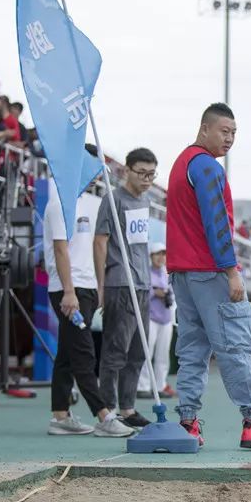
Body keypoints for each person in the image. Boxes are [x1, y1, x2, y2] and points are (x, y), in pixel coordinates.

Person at [165, 103, 251, 449]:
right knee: (236, 347)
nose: (229, 139)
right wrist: (231, 271)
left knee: (191, 350)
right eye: (224, 131)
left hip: (182, 274)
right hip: (209, 272)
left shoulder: (181, 163)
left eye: (234, 133)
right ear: (204, 129)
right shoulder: (207, 167)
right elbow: (217, 224)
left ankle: (187, 424)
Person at [43, 181, 133, 438]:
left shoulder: (92, 202)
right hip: (68, 290)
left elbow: (97, 246)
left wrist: (99, 286)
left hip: (88, 288)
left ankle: (60, 416)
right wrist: (69, 291)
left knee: (66, 354)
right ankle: (103, 416)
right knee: (84, 354)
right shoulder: (59, 202)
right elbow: (60, 250)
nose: (95, 176)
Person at [94, 147, 158, 429]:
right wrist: (101, 285)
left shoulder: (144, 201)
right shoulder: (112, 199)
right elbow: (100, 241)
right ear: (127, 171)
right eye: (142, 173)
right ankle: (107, 411)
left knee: (138, 351)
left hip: (143, 284)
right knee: (115, 350)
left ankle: (128, 408)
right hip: (120, 282)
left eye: (152, 174)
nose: (146, 179)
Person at [136, 242, 177, 399]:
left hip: (166, 319)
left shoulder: (167, 274)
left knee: (163, 355)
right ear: (151, 256)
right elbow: (140, 294)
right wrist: (155, 293)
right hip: (151, 318)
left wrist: (166, 295)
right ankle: (143, 386)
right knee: (147, 352)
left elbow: (172, 296)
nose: (161, 257)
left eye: (163, 254)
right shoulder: (146, 273)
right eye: (158, 254)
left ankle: (160, 385)